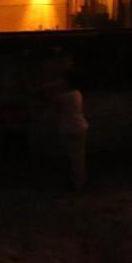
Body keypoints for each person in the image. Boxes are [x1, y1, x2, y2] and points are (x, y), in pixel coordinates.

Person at [30, 47, 88, 191]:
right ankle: (79, 182)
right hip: (79, 127)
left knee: (73, 158)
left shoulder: (64, 97)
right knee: (78, 157)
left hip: (70, 128)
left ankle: (76, 183)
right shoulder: (76, 94)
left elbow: (50, 103)